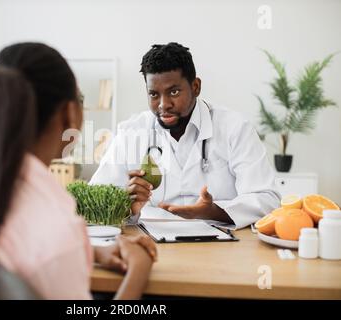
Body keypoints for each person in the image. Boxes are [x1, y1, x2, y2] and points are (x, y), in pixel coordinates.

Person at [0, 43, 156, 299]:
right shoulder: (55, 225)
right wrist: (139, 269)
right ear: (70, 113)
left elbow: (16, 254)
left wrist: (91, 251)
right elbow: (45, 248)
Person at [90, 42, 280, 229]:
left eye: (173, 92)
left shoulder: (235, 128)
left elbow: (266, 199)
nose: (163, 104)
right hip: (151, 243)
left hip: (219, 243)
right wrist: (127, 205)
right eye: (154, 94)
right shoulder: (130, 132)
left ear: (195, 86)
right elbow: (94, 201)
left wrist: (213, 211)